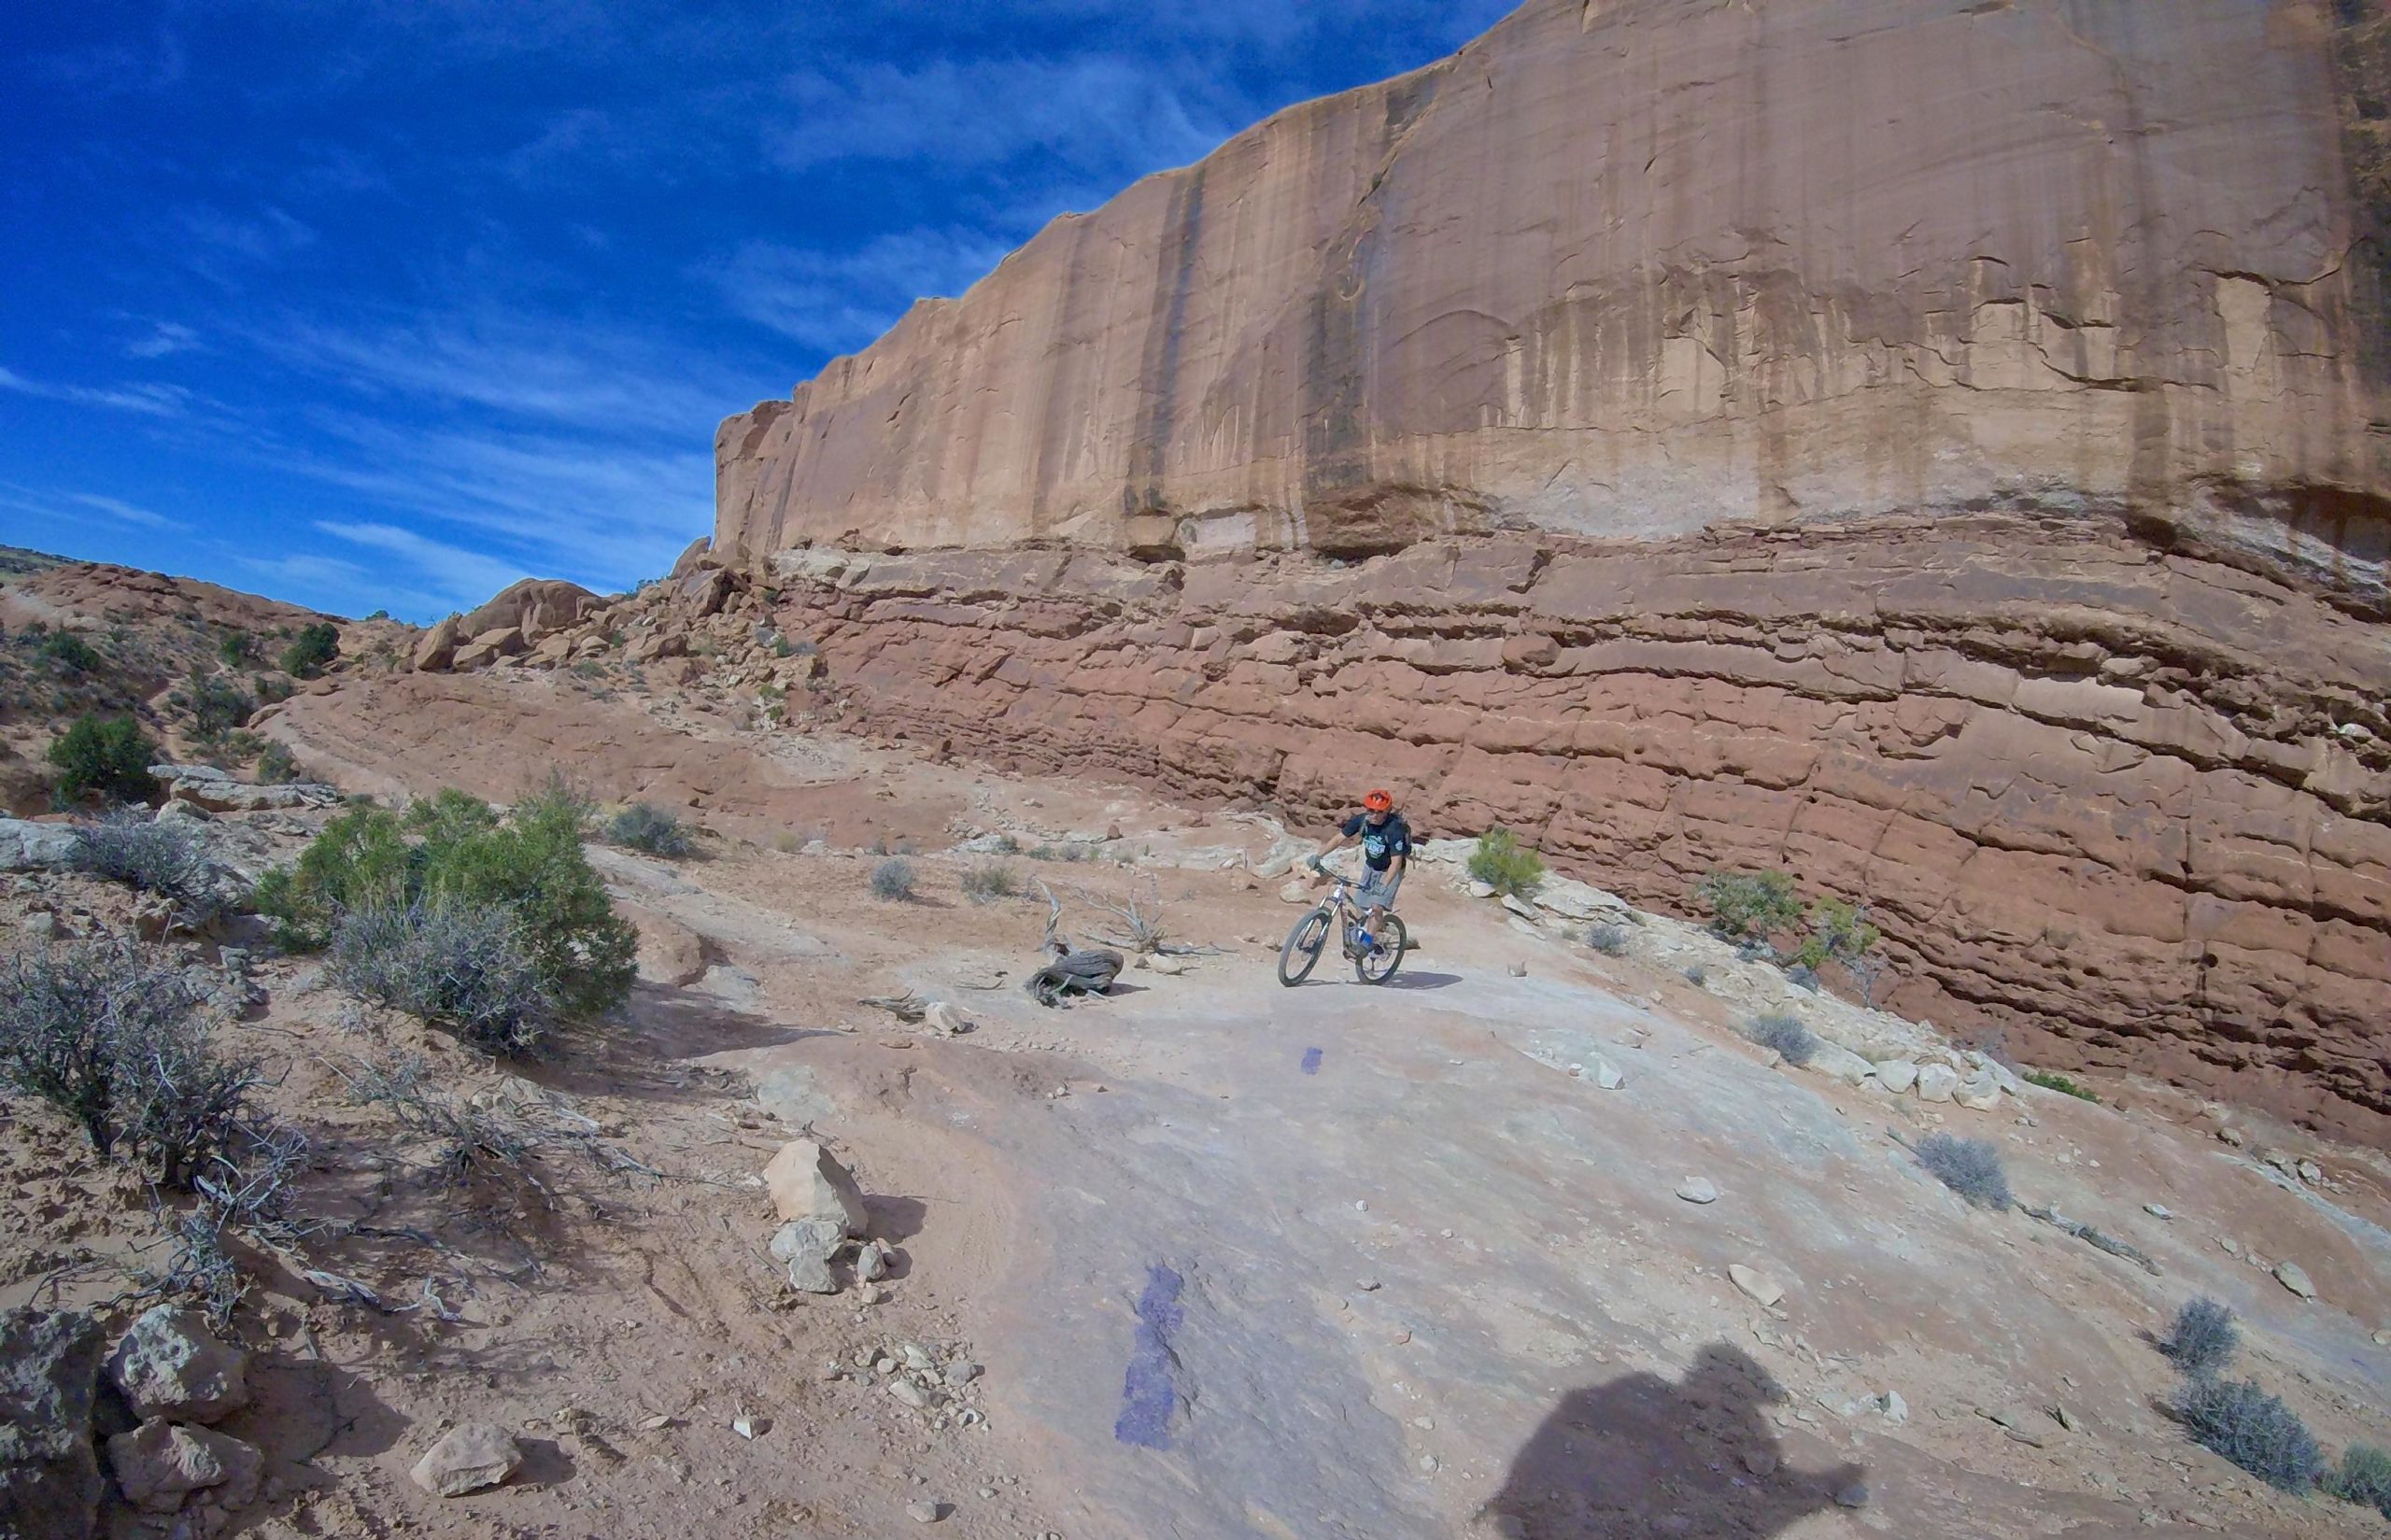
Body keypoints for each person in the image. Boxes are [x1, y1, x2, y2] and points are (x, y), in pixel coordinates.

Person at [1310, 788, 1411, 954]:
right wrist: (1318, 856)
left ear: (1387, 811)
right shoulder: (1362, 821)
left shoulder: (1394, 829)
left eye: (1379, 812)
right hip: (1371, 866)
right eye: (1371, 810)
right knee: (1360, 907)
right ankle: (1379, 927)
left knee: (1376, 906)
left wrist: (1384, 885)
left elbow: (1396, 862)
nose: (1374, 815)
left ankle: (1367, 942)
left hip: (1390, 871)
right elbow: (1338, 839)